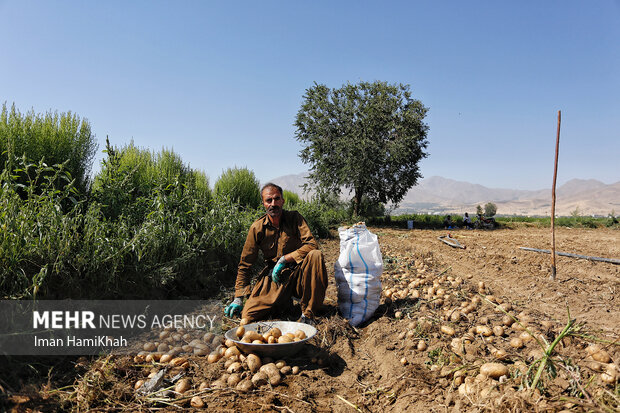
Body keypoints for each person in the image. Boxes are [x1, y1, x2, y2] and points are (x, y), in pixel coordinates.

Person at [224, 183, 328, 324]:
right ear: (263, 204)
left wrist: (285, 259)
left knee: (315, 255)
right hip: (276, 277)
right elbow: (245, 264)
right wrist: (239, 297)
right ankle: (283, 303)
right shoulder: (257, 228)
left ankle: (308, 314)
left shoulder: (295, 218)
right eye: (269, 200)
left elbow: (311, 244)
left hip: (298, 274)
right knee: (247, 315)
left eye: (277, 199)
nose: (273, 204)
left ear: (282, 201)